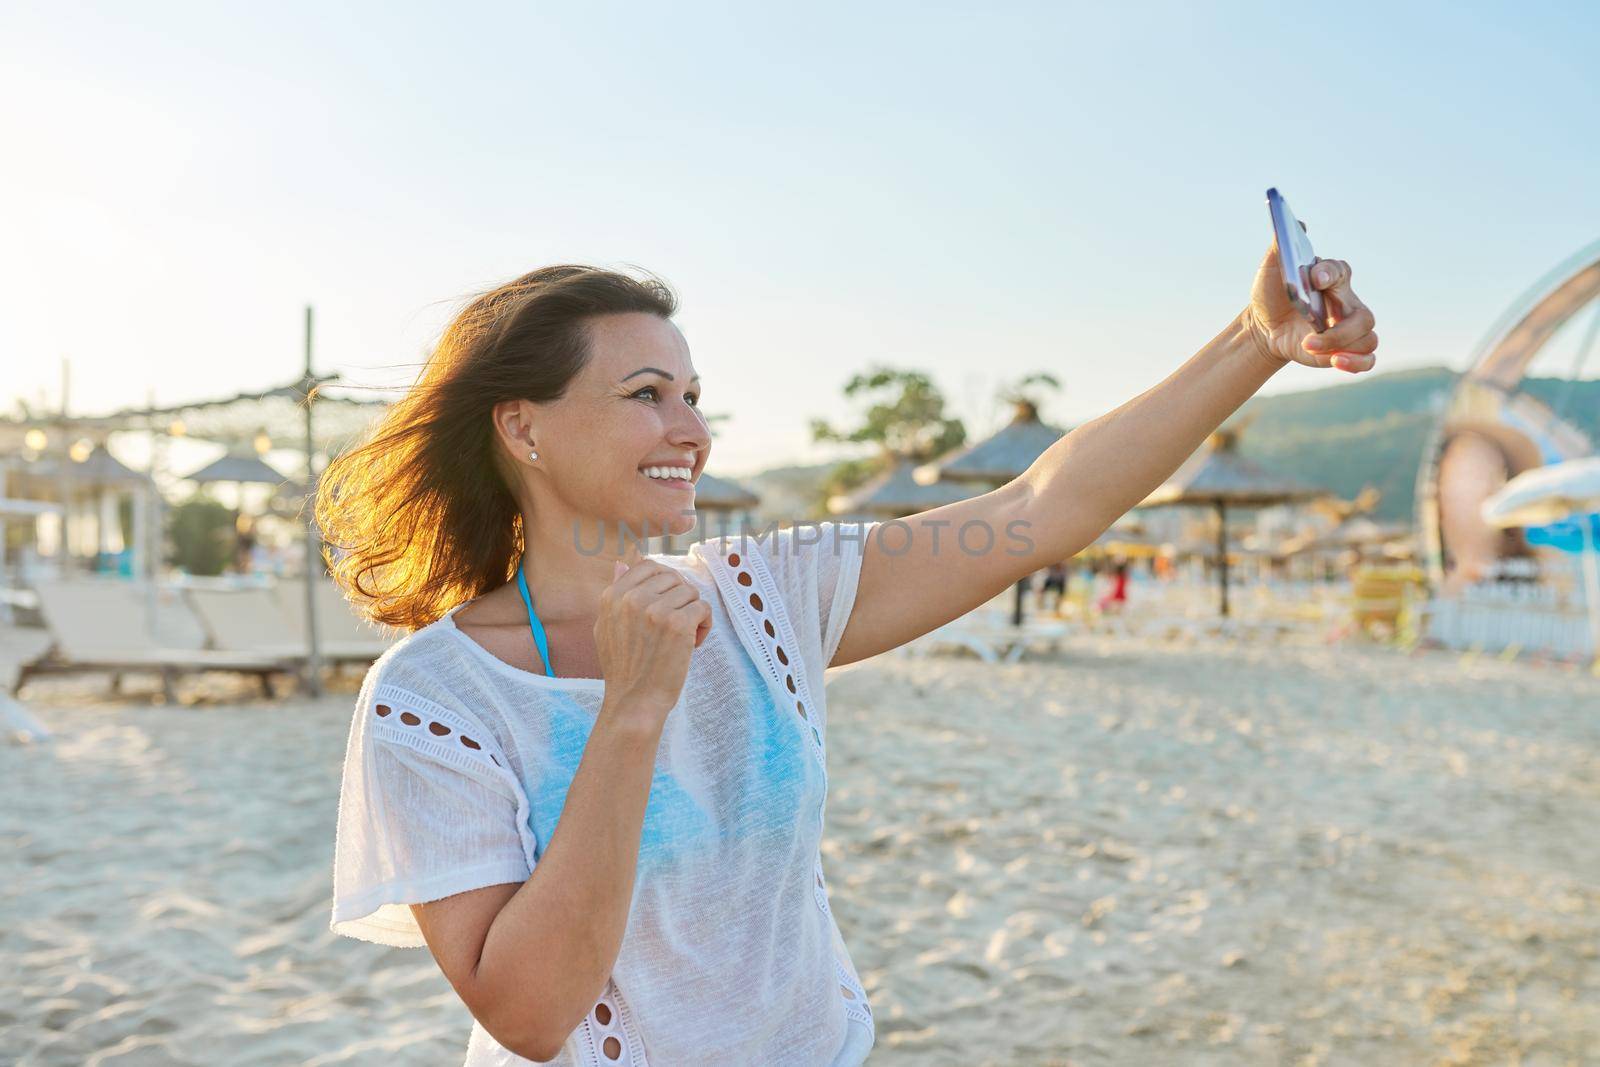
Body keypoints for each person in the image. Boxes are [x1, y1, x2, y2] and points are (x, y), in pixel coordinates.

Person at [321, 247, 1376, 1065]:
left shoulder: (765, 595)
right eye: (647, 393)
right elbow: (532, 1009)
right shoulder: (432, 697)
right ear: (523, 425)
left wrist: (1254, 338)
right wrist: (634, 709)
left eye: (694, 395)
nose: (691, 427)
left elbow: (1040, 508)